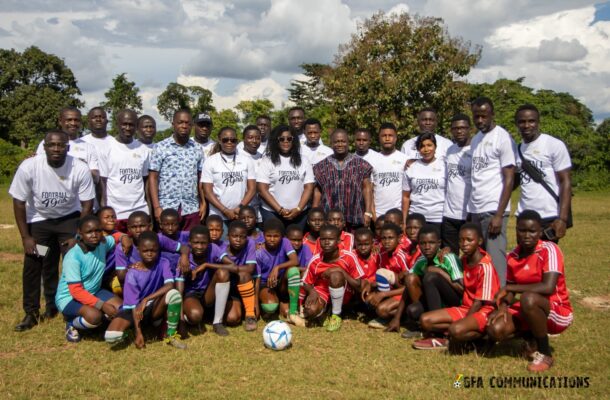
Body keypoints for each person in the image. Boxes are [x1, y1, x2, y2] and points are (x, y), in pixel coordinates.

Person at [10, 130, 95, 331]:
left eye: (60, 145)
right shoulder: (29, 167)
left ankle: (63, 306)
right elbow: (19, 202)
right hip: (40, 222)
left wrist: (77, 236)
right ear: (44, 147)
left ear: (67, 147)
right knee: (36, 262)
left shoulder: (79, 168)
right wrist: (26, 237)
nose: (56, 149)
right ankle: (31, 312)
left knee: (73, 262)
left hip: (68, 221)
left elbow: (87, 205)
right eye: (52, 145)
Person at [487, 210, 573, 372]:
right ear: (516, 231)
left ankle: (545, 353)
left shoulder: (549, 250)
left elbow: (547, 287)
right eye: (522, 230)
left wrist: (510, 287)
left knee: (528, 299)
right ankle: (530, 338)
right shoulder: (512, 256)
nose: (527, 235)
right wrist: (503, 307)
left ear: (540, 232)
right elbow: (509, 291)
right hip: (530, 308)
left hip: (557, 312)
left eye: (532, 231)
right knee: (495, 329)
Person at [413, 223, 500, 350]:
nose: (464, 244)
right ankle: (444, 338)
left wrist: (463, 323)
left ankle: (480, 338)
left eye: (469, 240)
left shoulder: (485, 266)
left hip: (483, 311)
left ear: (480, 241)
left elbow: (478, 303)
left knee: (456, 329)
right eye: (461, 240)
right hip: (465, 307)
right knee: (425, 320)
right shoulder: (465, 259)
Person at [104, 231, 186, 349]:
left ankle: (171, 335)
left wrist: (146, 299)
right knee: (111, 337)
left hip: (152, 307)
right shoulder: (132, 273)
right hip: (134, 310)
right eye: (145, 251)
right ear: (138, 251)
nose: (149, 254)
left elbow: (170, 285)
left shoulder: (163, 263)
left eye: (153, 250)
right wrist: (138, 333)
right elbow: (133, 306)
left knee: (174, 295)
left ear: (158, 249)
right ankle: (133, 329)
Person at [468, 97, 516, 285]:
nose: (480, 120)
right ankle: (483, 300)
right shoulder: (476, 140)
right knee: (479, 259)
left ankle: (499, 304)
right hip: (476, 209)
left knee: (495, 259)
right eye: (476, 116)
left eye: (483, 116)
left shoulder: (502, 137)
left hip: (493, 209)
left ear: (492, 114)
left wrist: (498, 214)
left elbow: (509, 178)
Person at [386, 225, 463, 338]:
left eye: (431, 243)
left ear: (439, 243)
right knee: (412, 310)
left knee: (430, 277)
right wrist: (396, 318)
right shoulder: (421, 260)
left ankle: (435, 331)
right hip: (434, 301)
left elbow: (462, 290)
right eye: (423, 243)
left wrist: (440, 272)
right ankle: (424, 325)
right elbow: (408, 285)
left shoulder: (449, 258)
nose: (427, 247)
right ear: (419, 245)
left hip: (453, 301)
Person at [55, 215, 123, 342]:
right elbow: (76, 291)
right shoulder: (73, 256)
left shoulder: (102, 243)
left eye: (98, 231)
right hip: (69, 297)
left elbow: (114, 237)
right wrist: (102, 305)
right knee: (94, 316)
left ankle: (99, 323)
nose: (94, 235)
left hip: (94, 291)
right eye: (89, 232)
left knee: (121, 308)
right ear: (80, 233)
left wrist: (124, 237)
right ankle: (71, 323)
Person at [514, 104, 572, 242]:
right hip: (524, 215)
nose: (527, 125)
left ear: (538, 122)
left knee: (546, 260)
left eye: (531, 121)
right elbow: (514, 182)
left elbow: (566, 182)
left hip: (548, 215)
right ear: (517, 124)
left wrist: (562, 219)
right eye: (522, 121)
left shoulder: (553, 145)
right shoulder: (516, 149)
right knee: (525, 262)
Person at [301, 225, 366, 332]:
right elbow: (306, 282)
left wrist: (341, 271)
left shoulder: (348, 257)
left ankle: (336, 315)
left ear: (338, 241)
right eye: (323, 239)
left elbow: (359, 286)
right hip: (323, 291)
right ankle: (324, 312)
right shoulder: (316, 260)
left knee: (336, 275)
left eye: (330, 239)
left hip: (345, 292)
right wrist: (312, 292)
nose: (326, 242)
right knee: (310, 311)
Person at [149, 109, 205, 230]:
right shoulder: (160, 147)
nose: (184, 126)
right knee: (167, 245)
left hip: (191, 207)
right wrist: (157, 207)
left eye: (188, 123)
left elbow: (200, 178)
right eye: (180, 122)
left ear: (192, 126)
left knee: (191, 245)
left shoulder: (197, 148)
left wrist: (203, 203)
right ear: (173, 124)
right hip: (166, 207)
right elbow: (153, 178)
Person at [99, 109, 150, 232]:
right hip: (116, 213)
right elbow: (103, 183)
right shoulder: (106, 149)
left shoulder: (143, 150)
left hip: (140, 211)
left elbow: (146, 182)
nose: (127, 128)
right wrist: (104, 211)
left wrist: (150, 211)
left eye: (131, 124)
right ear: (117, 124)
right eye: (124, 124)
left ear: (136, 126)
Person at [313, 129, 374, 230]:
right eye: (336, 142)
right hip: (329, 219)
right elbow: (317, 192)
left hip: (355, 217)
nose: (340, 144)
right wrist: (315, 213)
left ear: (348, 143)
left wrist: (368, 212)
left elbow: (367, 188)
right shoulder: (320, 167)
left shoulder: (362, 164)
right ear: (331, 144)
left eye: (343, 141)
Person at [257, 125, 314, 229]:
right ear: (276, 141)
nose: (286, 141)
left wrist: (298, 209)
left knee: (294, 244)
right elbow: (262, 189)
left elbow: (309, 188)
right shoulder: (267, 161)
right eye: (281, 139)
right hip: (272, 213)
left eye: (289, 138)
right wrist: (280, 210)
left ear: (294, 140)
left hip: (299, 214)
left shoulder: (304, 160)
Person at [175, 225, 228, 335]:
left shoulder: (213, 248)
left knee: (223, 272)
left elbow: (233, 266)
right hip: (191, 294)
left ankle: (217, 322)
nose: (199, 246)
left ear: (208, 242)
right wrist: (181, 322)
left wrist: (206, 265)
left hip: (208, 293)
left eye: (203, 243)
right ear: (190, 242)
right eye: (196, 243)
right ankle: (187, 315)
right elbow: (179, 291)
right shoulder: (184, 259)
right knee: (195, 316)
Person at [201, 127, 256, 227]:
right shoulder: (210, 161)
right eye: (225, 140)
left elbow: (252, 189)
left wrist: (240, 208)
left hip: (240, 215)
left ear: (237, 141)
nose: (229, 142)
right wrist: (224, 210)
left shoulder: (246, 160)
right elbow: (207, 192)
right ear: (219, 140)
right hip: (218, 216)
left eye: (233, 140)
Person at [254, 219, 301, 324]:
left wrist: (277, 267)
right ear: (264, 235)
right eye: (268, 236)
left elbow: (295, 260)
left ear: (281, 236)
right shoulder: (259, 251)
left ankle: (292, 312)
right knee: (270, 306)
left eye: (276, 236)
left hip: (280, 282)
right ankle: (272, 304)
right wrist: (255, 303)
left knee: (293, 270)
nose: (272, 239)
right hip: (264, 284)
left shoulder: (285, 242)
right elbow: (257, 279)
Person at [362, 223, 409, 328]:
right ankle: (387, 311)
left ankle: (405, 316)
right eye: (383, 238)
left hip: (404, 293)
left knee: (381, 310)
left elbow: (408, 287)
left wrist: (383, 295)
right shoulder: (381, 254)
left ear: (399, 238)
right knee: (369, 300)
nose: (387, 242)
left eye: (390, 238)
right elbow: (380, 276)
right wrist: (370, 284)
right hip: (391, 290)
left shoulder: (401, 256)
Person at [217, 221, 258, 331]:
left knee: (244, 274)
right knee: (233, 319)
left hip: (244, 283)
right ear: (228, 236)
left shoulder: (250, 243)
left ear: (246, 237)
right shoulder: (221, 248)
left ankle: (250, 315)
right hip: (228, 288)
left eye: (242, 237)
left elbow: (250, 269)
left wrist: (233, 269)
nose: (238, 240)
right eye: (234, 236)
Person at [442, 113, 473, 254]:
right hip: (450, 213)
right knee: (451, 255)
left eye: (463, 128)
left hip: (469, 213)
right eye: (455, 128)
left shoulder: (475, 150)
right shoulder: (450, 150)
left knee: (470, 252)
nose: (459, 131)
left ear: (469, 129)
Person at [402, 132, 446, 229]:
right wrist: (405, 221)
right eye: (422, 146)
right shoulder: (410, 167)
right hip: (416, 218)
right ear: (418, 149)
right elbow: (406, 196)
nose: (426, 149)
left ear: (435, 147)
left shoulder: (444, 166)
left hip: (439, 218)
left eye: (429, 145)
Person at [372, 123, 408, 219]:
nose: (387, 138)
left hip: (398, 215)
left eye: (390, 135)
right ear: (379, 138)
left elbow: (407, 193)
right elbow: (370, 191)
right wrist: (374, 216)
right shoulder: (372, 160)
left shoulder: (405, 160)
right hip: (378, 215)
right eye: (384, 136)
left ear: (396, 138)